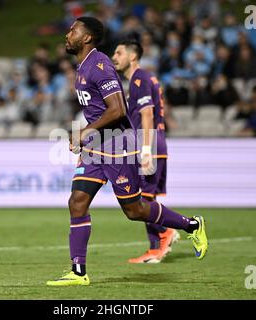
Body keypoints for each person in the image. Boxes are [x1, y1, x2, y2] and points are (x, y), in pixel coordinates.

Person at [46, 17, 208, 287]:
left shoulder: (99, 66)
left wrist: (86, 132)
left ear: (87, 38)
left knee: (134, 210)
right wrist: (87, 139)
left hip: (118, 146)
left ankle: (192, 225)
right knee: (76, 202)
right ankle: (78, 272)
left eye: (74, 30)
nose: (68, 33)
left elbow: (118, 109)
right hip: (97, 148)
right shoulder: (83, 67)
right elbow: (99, 111)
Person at [112, 39, 178, 264]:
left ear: (132, 56)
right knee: (147, 198)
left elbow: (147, 114)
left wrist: (146, 150)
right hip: (156, 141)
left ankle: (165, 231)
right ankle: (155, 249)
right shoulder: (147, 78)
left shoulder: (139, 78)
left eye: (118, 53)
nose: (114, 57)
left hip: (148, 143)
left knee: (141, 202)